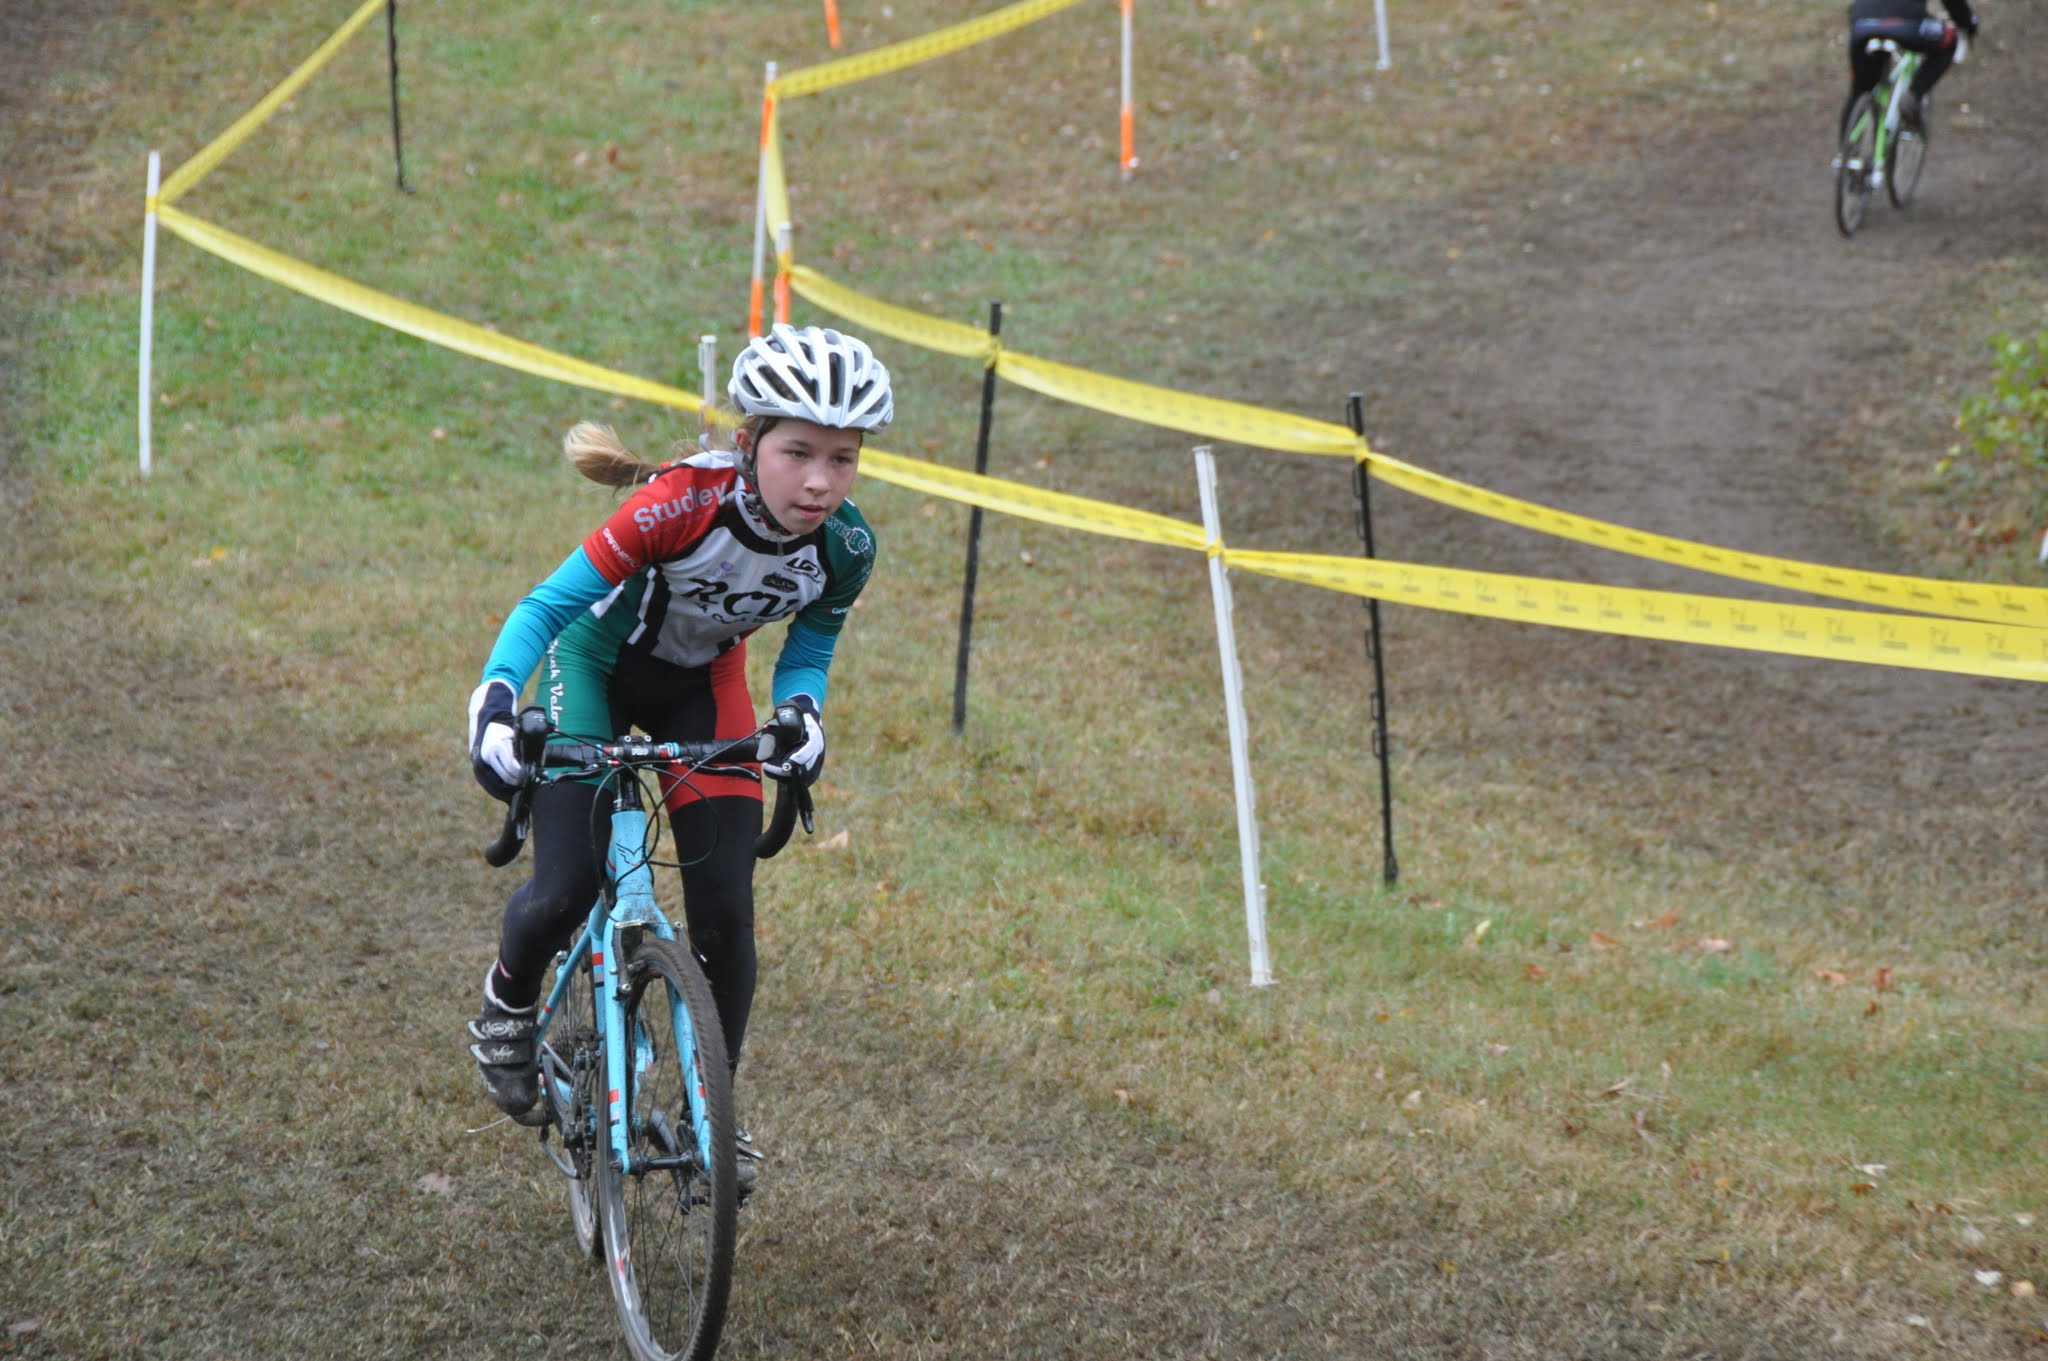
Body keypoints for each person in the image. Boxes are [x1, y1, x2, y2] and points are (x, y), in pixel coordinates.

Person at [462, 323, 891, 1191]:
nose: (819, 481)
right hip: (597, 669)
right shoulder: (677, 504)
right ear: (749, 442)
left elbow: (807, 651)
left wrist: (803, 712)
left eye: (842, 459)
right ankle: (508, 1007)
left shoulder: (845, 549)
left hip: (707, 684)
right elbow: (548, 608)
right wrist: (498, 700)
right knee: (567, 886)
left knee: (727, 911)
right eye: (798, 451)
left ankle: (708, 1112)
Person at [1842, 0, 1978, 136]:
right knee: (1949, 42)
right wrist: (1968, 23)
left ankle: (1845, 152)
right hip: (1906, 22)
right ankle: (1913, 95)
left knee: (1860, 90)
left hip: (1862, 23)